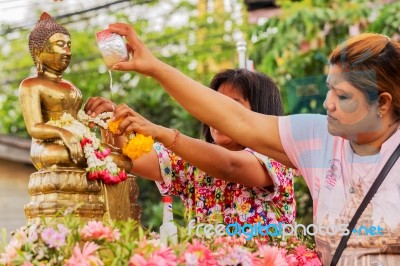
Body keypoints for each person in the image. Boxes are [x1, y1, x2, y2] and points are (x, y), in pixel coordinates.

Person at [106, 23, 400, 265]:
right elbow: (233, 118)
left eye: (343, 96)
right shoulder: (319, 136)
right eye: (329, 90)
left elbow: (231, 165)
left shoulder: (272, 158)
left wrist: (161, 132)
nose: (328, 104)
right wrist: (153, 70)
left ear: (382, 103)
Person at [85, 68, 296, 226]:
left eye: (232, 106)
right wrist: (114, 121)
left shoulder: (277, 157)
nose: (218, 114)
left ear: (260, 113)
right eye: (214, 105)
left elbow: (230, 166)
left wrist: (163, 133)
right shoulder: (191, 160)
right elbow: (133, 158)